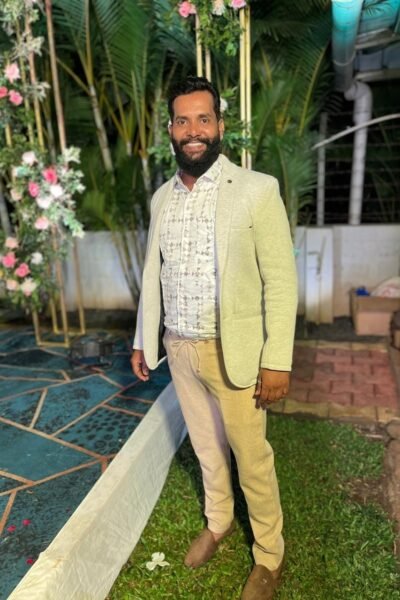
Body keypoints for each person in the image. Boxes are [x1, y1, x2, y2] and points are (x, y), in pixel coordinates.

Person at [131, 76, 298, 600]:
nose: (193, 130)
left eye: (203, 119)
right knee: (206, 448)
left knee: (252, 458)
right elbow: (153, 274)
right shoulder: (161, 199)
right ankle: (220, 521)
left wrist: (277, 359)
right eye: (183, 121)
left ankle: (269, 554)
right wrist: (143, 338)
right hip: (180, 348)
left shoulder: (256, 189)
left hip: (235, 351)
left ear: (220, 126)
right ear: (170, 129)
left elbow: (281, 280)